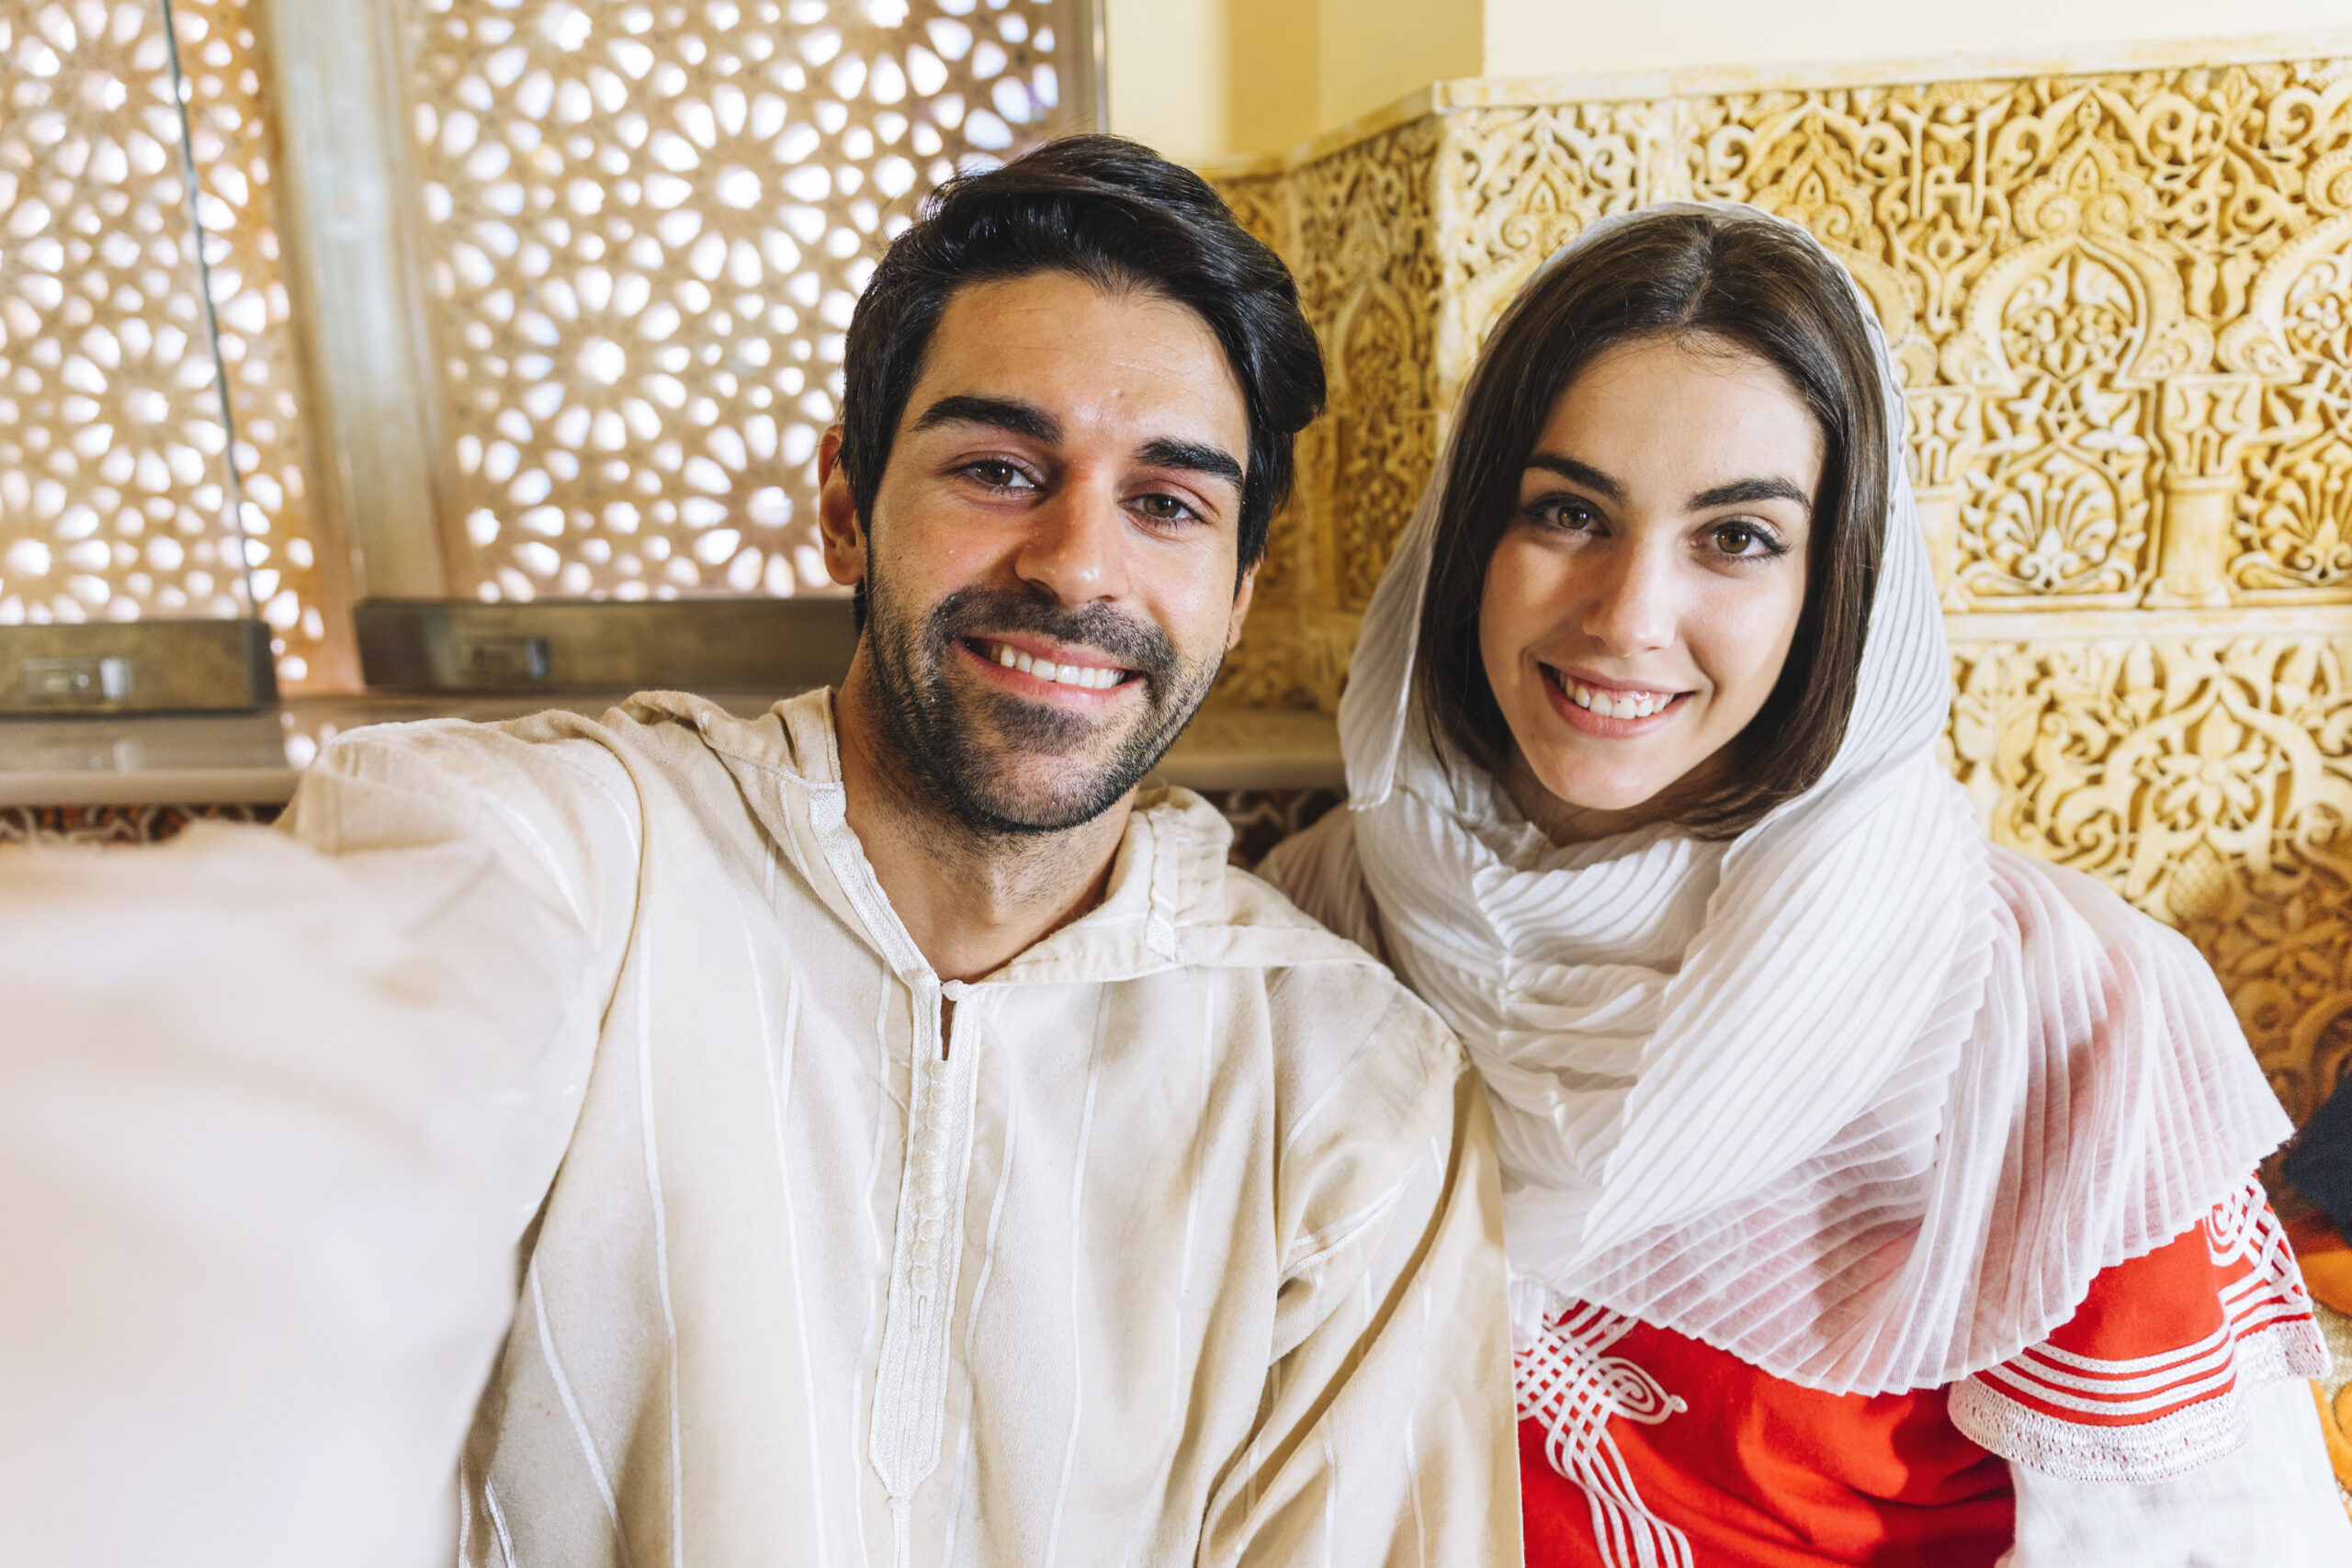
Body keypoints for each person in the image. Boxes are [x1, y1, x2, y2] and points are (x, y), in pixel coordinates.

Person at [0, 138, 1514, 1567]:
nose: (1075, 565)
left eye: (1169, 503)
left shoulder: (1347, 1090)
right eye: (998, 468)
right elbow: (297, 1066)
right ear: (847, 509)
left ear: (1240, 593)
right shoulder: (572, 857)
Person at [1262, 204, 2352, 1565]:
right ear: (1469, 539)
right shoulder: (1315, 931)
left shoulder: (2061, 1013)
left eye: (1737, 540)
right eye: (1566, 512)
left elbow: (2214, 1545)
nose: (1627, 615)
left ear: (1843, 585)